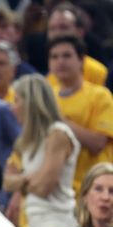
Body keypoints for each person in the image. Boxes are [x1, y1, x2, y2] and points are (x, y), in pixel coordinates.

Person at [4, 73, 79, 227]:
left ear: (31, 103)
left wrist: (22, 181)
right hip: (32, 222)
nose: (12, 107)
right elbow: (6, 182)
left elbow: (44, 187)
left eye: (16, 100)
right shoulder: (28, 141)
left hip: (56, 221)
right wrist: (30, 179)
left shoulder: (58, 133)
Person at [48, 36, 113, 196]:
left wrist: (60, 122)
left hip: (93, 188)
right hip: (55, 189)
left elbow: (98, 143)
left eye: (67, 55)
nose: (60, 61)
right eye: (54, 57)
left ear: (81, 60)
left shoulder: (100, 95)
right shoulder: (48, 97)